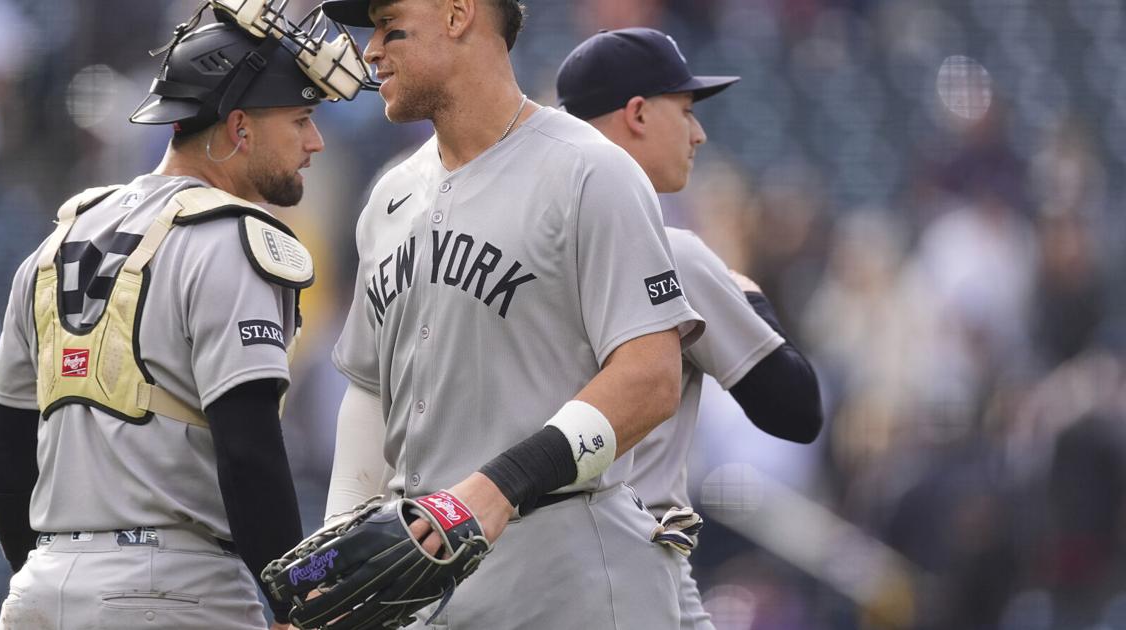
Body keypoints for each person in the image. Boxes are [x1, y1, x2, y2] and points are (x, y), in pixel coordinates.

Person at [0, 3, 372, 628]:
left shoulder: (55, 243)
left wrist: (49, 577)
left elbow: (2, 447)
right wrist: (295, 604)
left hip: (41, 591)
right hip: (176, 592)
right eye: (300, 119)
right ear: (239, 127)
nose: (314, 141)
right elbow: (249, 451)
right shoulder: (231, 239)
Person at [318, 0, 704, 627]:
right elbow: (367, 389)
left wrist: (498, 485)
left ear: (457, 14)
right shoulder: (390, 195)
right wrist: (340, 541)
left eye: (389, 25)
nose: (370, 49)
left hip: (570, 582)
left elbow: (651, 377)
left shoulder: (589, 169)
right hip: (426, 586)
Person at [556, 27, 825, 629]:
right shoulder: (669, 253)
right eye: (685, 109)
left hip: (520, 570)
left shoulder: (517, 251)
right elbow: (796, 411)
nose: (698, 132)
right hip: (635, 571)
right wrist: (751, 299)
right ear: (638, 114)